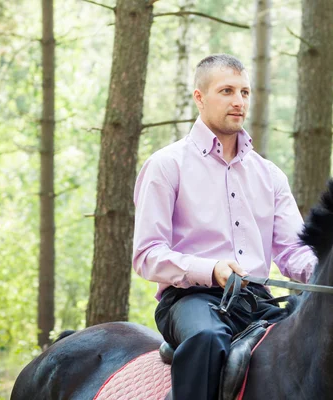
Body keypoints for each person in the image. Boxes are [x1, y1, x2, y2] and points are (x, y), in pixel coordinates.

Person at [132, 54, 317, 400]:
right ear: (199, 98)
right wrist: (210, 268)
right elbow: (147, 255)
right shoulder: (166, 166)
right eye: (227, 91)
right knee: (207, 338)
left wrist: (326, 272)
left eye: (245, 92)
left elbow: (293, 250)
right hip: (191, 300)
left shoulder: (270, 175)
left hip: (257, 301)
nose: (239, 101)